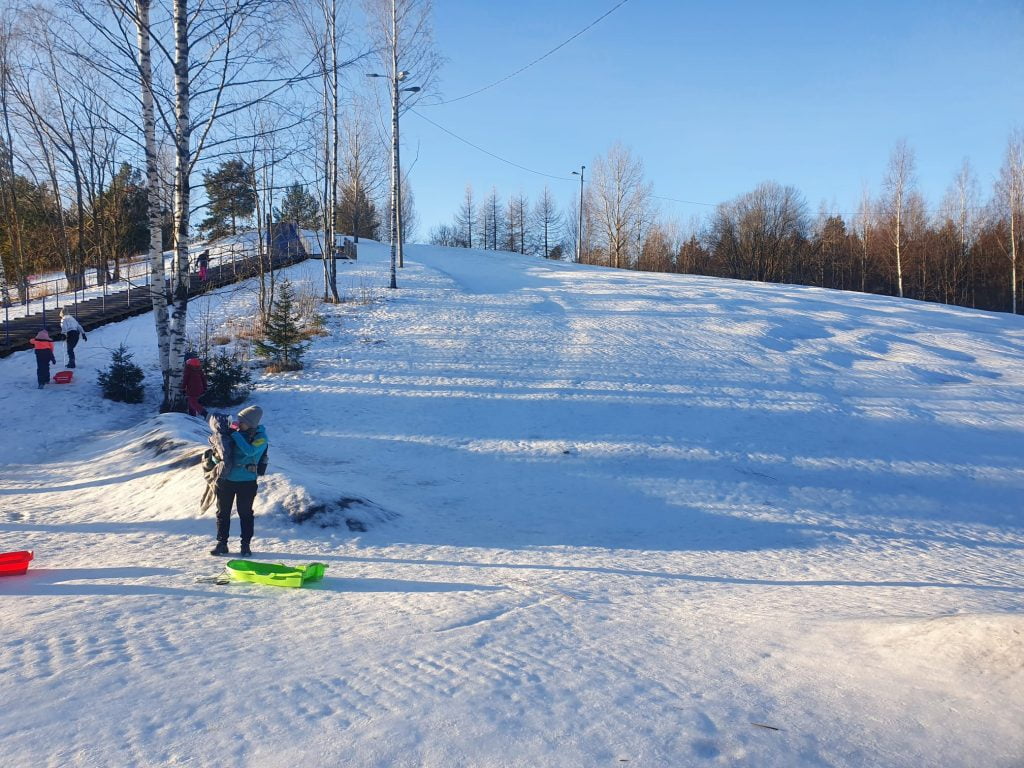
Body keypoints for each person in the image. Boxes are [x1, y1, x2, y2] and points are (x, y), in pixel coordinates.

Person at [209, 405, 267, 557]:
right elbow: (222, 453)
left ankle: (245, 545)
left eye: (242, 421)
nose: (238, 423)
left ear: (252, 423)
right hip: (226, 480)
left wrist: (234, 435)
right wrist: (215, 458)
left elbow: (250, 451)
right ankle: (222, 544)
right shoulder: (235, 433)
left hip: (247, 482)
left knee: (245, 514)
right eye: (238, 420)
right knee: (223, 513)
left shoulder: (261, 438)